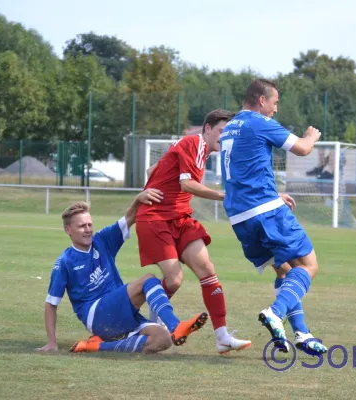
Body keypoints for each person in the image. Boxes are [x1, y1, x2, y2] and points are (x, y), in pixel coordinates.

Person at [219, 78, 328, 356]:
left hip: (239, 217)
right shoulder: (259, 122)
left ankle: (302, 333)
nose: (276, 110)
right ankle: (275, 313)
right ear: (261, 100)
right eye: (275, 103)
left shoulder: (230, 127)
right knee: (309, 265)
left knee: (285, 272)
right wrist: (312, 136)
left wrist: (274, 194)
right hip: (265, 213)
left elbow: (245, 169)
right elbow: (302, 149)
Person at [136, 109, 251, 355]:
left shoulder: (198, 149)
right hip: (155, 218)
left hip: (179, 218)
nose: (225, 137)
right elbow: (186, 184)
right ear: (207, 128)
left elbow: (151, 171)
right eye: (221, 131)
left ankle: (222, 338)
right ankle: (149, 324)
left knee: (207, 270)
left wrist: (156, 181)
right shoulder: (194, 143)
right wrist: (222, 195)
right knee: (175, 280)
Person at [37, 191, 209, 354]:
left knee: (163, 340)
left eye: (90, 224)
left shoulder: (102, 240)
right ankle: (175, 326)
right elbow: (51, 303)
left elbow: (129, 218)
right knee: (148, 279)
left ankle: (97, 347)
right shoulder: (65, 262)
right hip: (96, 314)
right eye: (82, 226)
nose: (88, 229)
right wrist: (52, 342)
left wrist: (138, 199)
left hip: (121, 312)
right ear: (68, 230)